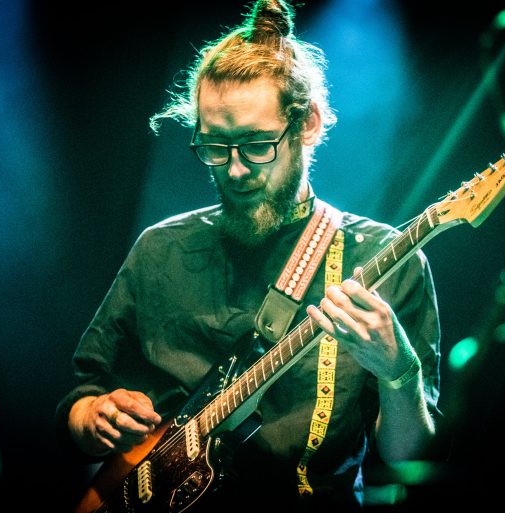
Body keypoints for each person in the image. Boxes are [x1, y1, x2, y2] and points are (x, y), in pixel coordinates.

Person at [56, 1, 441, 511]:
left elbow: (409, 455)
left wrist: (399, 372)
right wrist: (94, 416)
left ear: (308, 125)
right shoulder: (159, 248)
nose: (234, 170)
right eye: (215, 146)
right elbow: (81, 397)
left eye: (257, 144)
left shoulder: (384, 259)